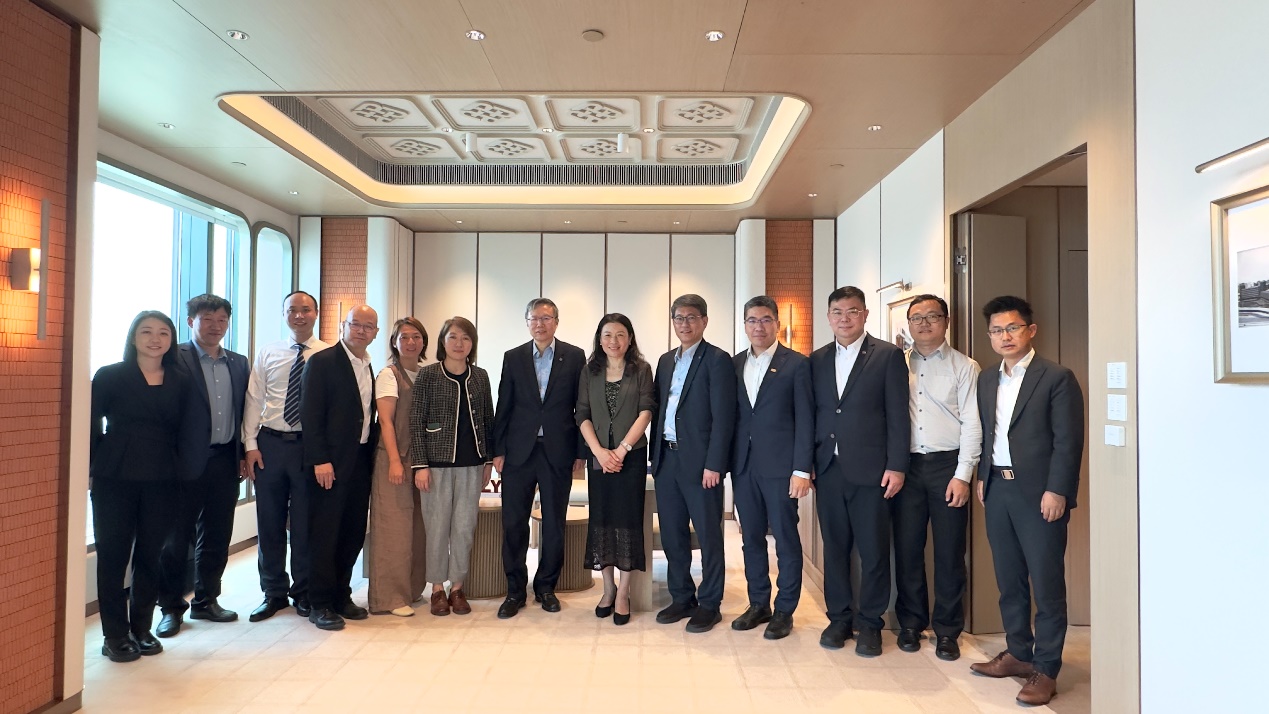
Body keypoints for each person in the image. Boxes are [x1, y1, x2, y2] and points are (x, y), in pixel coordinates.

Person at [969, 295, 1084, 706]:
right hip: (997, 488)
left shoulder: (1056, 377)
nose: (1005, 336)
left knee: (1046, 583)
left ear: (1030, 330)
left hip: (1039, 493)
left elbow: (1068, 442)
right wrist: (983, 476)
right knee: (1009, 578)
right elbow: (989, 432)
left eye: (1013, 328)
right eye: (997, 330)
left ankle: (1046, 668)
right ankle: (1019, 652)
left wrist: (1058, 490)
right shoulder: (987, 379)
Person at [810, 286, 909, 657]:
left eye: (852, 311)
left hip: (873, 471)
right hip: (828, 469)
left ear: (865, 314)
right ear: (828, 317)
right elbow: (814, 414)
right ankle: (838, 618)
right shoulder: (817, 359)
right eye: (837, 312)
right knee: (834, 549)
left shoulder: (887, 355)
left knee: (873, 551)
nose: (845, 318)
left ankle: (870, 624)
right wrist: (808, 463)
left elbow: (898, 415)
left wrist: (897, 465)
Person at [90, 311, 188, 662]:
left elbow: (187, 430)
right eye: (146, 332)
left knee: (150, 554)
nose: (155, 339)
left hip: (163, 476)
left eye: (163, 333)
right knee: (113, 555)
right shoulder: (109, 375)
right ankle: (114, 634)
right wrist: (90, 467)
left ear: (171, 340)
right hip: (114, 475)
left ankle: (141, 628)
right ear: (133, 337)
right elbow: (90, 423)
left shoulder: (181, 380)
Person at [891, 294, 981, 661]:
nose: (924, 323)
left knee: (949, 553)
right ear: (909, 324)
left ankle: (947, 630)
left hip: (948, 467)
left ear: (946, 321)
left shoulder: (965, 366)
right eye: (917, 318)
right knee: (907, 549)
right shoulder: (896, 365)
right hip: (906, 468)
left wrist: (963, 474)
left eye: (932, 316)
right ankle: (911, 623)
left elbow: (973, 423)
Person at [156, 294, 251, 638]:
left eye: (222, 319)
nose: (215, 326)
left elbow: (245, 412)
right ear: (191, 321)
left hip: (225, 460)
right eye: (207, 319)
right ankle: (170, 608)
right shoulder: (174, 358)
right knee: (175, 539)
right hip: (183, 464)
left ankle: (207, 599)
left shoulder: (238, 363)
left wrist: (244, 453)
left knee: (217, 534)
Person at [492, 298, 587, 619]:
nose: (540, 324)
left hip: (558, 451)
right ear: (527, 322)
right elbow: (504, 404)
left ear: (556, 322)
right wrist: (498, 450)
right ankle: (515, 590)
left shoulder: (574, 356)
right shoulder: (514, 357)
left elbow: (581, 407)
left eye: (546, 318)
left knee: (554, 523)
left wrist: (580, 452)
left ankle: (546, 586)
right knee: (513, 522)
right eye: (534, 318)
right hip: (518, 452)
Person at [650, 294, 736, 634]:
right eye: (679, 318)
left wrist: (715, 464)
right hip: (666, 460)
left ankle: (710, 603)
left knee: (709, 536)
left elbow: (724, 417)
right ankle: (682, 597)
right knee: (673, 535)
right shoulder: (665, 361)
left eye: (691, 317)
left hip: (702, 465)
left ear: (704, 321)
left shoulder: (717, 360)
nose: (684, 324)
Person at [729, 296, 814, 641]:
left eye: (765, 320)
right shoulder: (735, 364)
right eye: (752, 320)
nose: (758, 327)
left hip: (781, 468)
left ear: (777, 324)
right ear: (744, 325)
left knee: (785, 538)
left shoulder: (797, 364)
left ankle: (784, 610)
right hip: (743, 466)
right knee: (750, 538)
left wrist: (802, 470)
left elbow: (806, 420)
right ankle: (758, 603)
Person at [242, 291, 330, 622]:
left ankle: (303, 592)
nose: (299, 315)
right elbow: (254, 399)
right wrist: (250, 444)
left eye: (305, 309)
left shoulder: (328, 354)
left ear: (316, 313)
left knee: (306, 524)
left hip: (309, 446)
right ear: (284, 314)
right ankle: (273, 593)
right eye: (292, 310)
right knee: (269, 522)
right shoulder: (269, 352)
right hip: (271, 444)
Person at [300, 304, 380, 631]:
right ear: (343, 326)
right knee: (324, 533)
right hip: (329, 464)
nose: (361, 330)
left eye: (368, 326)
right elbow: (310, 414)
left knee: (352, 532)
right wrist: (320, 459)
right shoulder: (322, 362)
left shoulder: (368, 365)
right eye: (355, 324)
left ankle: (341, 595)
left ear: (376, 333)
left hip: (359, 460)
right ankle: (319, 602)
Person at [409, 317, 495, 617]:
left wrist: (488, 461)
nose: (459, 344)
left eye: (466, 338)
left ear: (472, 344)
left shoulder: (480, 376)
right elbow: (416, 421)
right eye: (453, 337)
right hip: (435, 465)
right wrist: (420, 465)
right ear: (442, 341)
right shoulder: (428, 375)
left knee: (464, 528)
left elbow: (488, 419)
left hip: (472, 465)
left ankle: (457, 587)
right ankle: (436, 588)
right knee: (436, 528)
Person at [576, 314, 656, 626]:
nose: (614, 341)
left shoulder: (641, 370)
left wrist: (621, 449)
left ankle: (624, 593)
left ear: (630, 338)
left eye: (620, 334)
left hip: (630, 456)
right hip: (598, 456)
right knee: (602, 520)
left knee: (627, 521)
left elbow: (646, 410)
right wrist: (598, 451)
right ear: (599, 339)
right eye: (607, 334)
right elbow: (582, 413)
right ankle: (607, 589)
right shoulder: (589, 371)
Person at [367, 317, 429, 617]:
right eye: (404, 337)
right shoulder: (388, 375)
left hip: (421, 461)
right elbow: (386, 421)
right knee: (394, 528)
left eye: (416, 336)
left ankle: (412, 590)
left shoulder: (426, 374)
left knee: (418, 528)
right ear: (394, 342)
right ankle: (389, 598)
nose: (410, 342)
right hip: (394, 459)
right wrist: (394, 460)